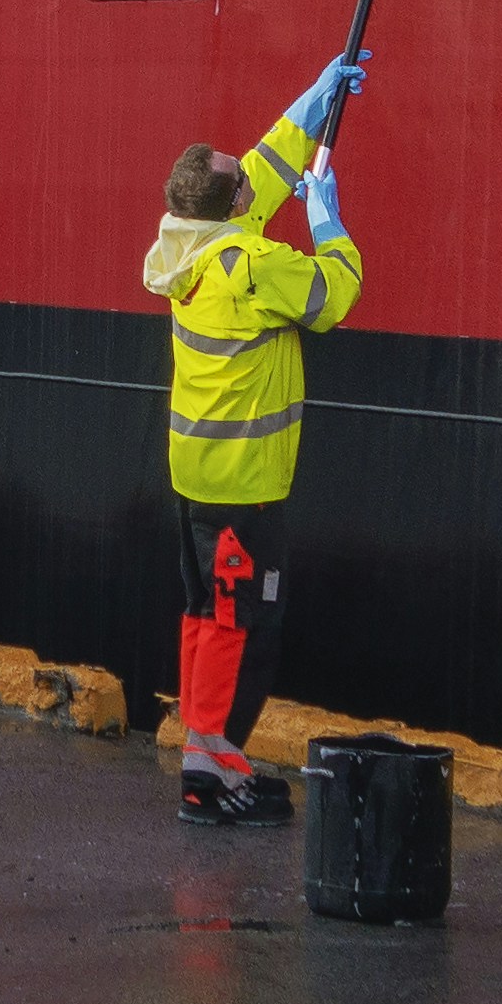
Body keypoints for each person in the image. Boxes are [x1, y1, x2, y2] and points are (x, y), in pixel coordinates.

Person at [143, 50, 364, 825]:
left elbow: (263, 169)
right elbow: (333, 296)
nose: (253, 178)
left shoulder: (188, 247)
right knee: (248, 634)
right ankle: (214, 779)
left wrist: (316, 98)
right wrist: (328, 220)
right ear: (234, 204)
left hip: (197, 480)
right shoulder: (251, 264)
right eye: (243, 179)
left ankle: (207, 760)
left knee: (206, 619)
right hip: (246, 489)